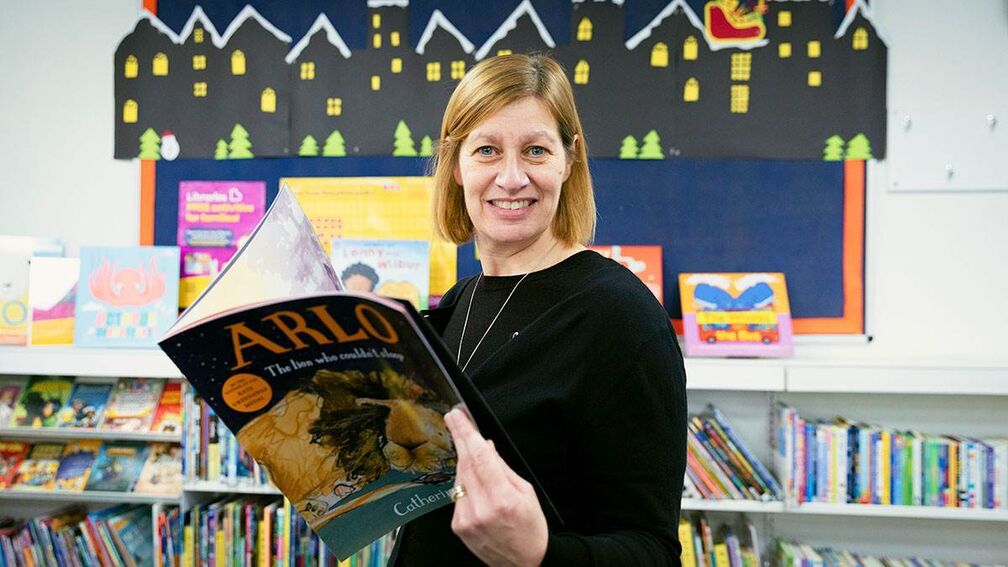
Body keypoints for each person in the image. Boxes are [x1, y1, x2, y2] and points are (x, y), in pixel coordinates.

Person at [389, 53, 687, 566]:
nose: (510, 178)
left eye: (534, 150)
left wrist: (538, 554)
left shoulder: (620, 317)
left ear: (568, 160)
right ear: (456, 165)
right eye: (486, 150)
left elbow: (653, 552)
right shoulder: (460, 301)